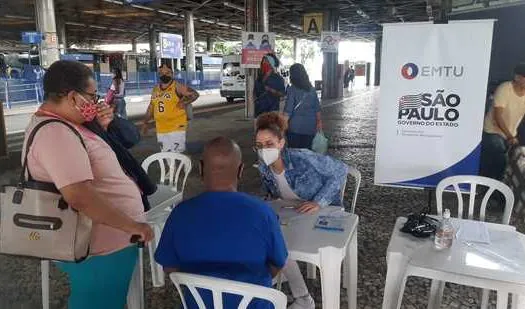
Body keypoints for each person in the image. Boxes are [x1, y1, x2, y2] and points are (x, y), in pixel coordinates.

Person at [23, 60, 153, 309]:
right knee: (97, 302)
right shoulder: (56, 133)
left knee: (105, 300)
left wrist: (100, 126)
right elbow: (80, 195)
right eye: (92, 96)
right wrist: (132, 225)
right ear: (72, 97)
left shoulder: (70, 125)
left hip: (105, 240)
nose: (96, 102)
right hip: (97, 246)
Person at [155, 136, 288, 309]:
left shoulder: (179, 213)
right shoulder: (262, 212)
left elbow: (169, 267)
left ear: (201, 168)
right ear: (240, 171)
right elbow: (277, 263)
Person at [255, 112, 349, 309]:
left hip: (326, 211)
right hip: (295, 212)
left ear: (281, 143)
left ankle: (300, 293)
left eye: (269, 143)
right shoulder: (263, 168)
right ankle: (291, 288)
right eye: (260, 145)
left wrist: (319, 202)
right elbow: (271, 194)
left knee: (282, 244)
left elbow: (341, 170)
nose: (264, 150)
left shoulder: (302, 157)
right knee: (271, 238)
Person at [480, 63, 525, 181]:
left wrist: (511, 136)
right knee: (500, 157)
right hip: (493, 130)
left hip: (510, 134)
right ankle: (495, 188)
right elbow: (498, 116)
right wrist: (510, 137)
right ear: (517, 77)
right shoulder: (504, 88)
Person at [142, 63, 199, 153]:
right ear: (159, 75)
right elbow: (151, 106)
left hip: (176, 127)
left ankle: (185, 166)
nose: (164, 75)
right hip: (161, 128)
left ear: (172, 74)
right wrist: (145, 122)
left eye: (167, 73)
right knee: (167, 156)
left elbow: (194, 94)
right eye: (161, 73)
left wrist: (184, 102)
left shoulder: (177, 86)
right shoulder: (155, 89)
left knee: (177, 155)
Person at [284, 63, 322, 149]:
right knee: (307, 154)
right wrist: (319, 123)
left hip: (295, 128)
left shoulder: (292, 89)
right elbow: (317, 109)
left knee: (295, 154)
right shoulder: (312, 90)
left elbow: (288, 111)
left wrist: (282, 126)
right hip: (310, 127)